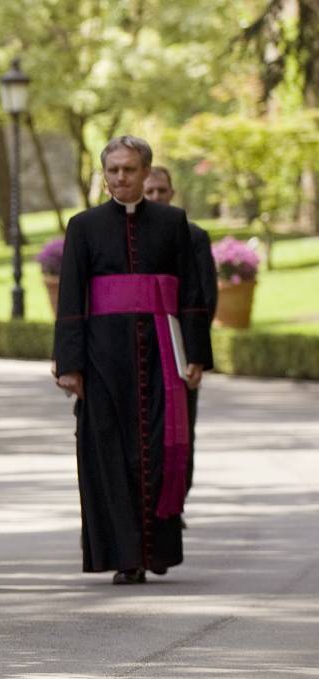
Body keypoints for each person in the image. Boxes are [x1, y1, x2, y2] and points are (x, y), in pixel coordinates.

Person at [53, 136, 212, 585]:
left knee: (163, 449)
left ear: (146, 172)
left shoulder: (172, 221)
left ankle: (158, 546)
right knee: (110, 453)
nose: (120, 178)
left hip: (162, 351)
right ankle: (125, 555)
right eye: (113, 171)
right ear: (104, 175)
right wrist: (69, 363)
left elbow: (192, 293)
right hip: (104, 356)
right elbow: (70, 297)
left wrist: (196, 354)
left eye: (129, 170)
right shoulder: (83, 226)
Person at [143, 166, 219, 493]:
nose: (157, 197)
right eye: (150, 192)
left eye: (162, 191)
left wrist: (193, 350)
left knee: (181, 427)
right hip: (142, 344)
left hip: (179, 347)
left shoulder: (194, 236)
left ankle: (176, 494)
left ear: (172, 193)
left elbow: (205, 295)